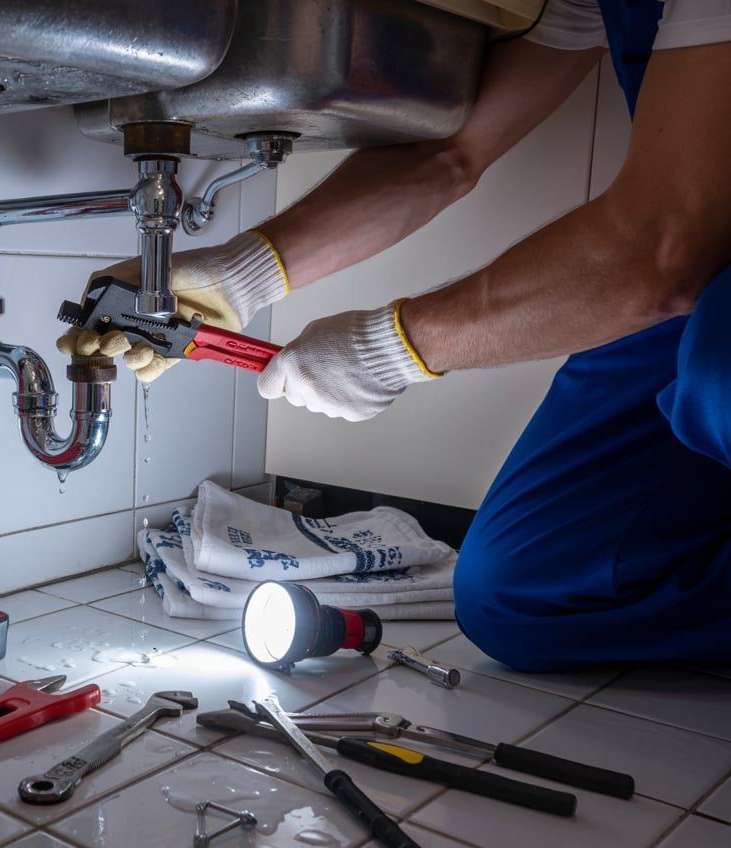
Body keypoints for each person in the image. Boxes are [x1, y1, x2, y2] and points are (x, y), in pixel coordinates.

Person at [60, 0, 731, 671]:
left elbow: (660, 248)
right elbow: (449, 153)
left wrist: (389, 348)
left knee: (719, 377)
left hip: (702, 294)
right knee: (519, 596)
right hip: (691, 295)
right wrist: (243, 276)